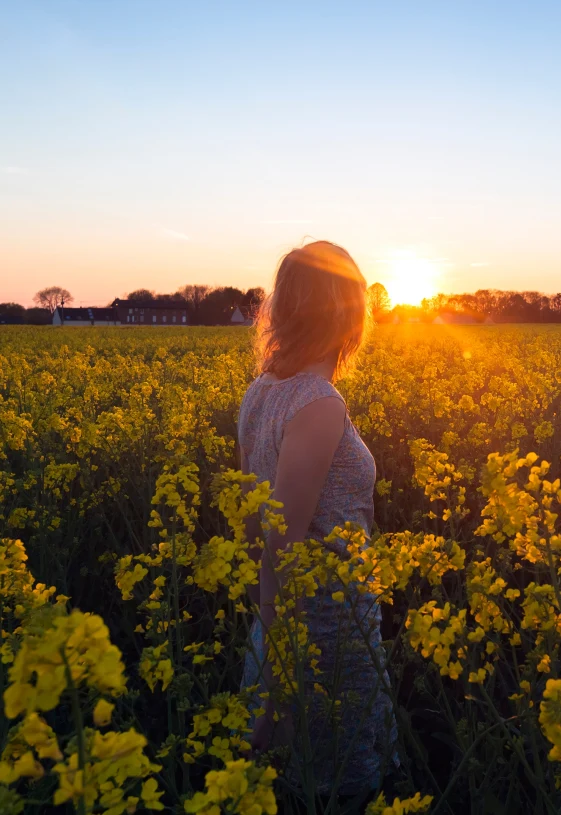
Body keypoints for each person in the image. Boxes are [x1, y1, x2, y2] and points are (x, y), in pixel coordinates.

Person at [237, 241, 396, 797]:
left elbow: (251, 530)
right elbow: (280, 546)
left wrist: (266, 639)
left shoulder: (260, 394)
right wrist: (281, 679)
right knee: (341, 785)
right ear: (350, 314)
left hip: (280, 627)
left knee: (290, 785)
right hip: (325, 635)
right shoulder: (319, 404)